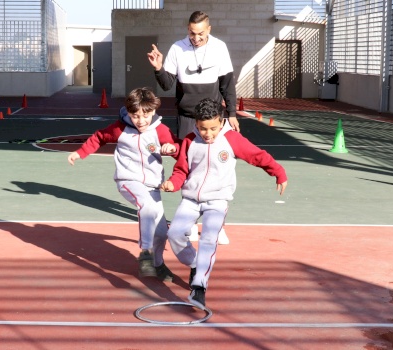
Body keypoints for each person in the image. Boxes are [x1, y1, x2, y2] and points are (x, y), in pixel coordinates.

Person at [160, 98, 288, 310]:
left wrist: (278, 172)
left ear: (221, 122)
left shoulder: (231, 139)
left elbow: (257, 156)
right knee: (174, 234)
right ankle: (194, 264)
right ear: (196, 124)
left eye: (212, 128)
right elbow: (181, 170)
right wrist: (172, 185)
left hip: (217, 200)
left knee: (209, 238)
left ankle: (199, 286)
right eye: (203, 128)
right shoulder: (190, 141)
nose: (208, 134)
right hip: (191, 199)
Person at [68, 87, 180, 281]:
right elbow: (100, 137)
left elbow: (177, 147)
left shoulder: (160, 130)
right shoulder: (120, 129)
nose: (141, 120)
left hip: (153, 186)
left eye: (145, 115)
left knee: (161, 233)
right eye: (135, 116)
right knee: (146, 207)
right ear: (128, 113)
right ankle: (146, 252)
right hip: (128, 180)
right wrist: (80, 152)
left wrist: (173, 148)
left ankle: (158, 264)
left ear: (153, 111)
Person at [148, 10, 238, 245]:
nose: (195, 38)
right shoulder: (178, 48)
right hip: (187, 117)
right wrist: (158, 68)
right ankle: (190, 223)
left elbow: (228, 84)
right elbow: (167, 85)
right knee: (188, 168)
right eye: (191, 32)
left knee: (217, 167)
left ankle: (217, 226)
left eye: (199, 33)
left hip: (214, 119)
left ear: (208, 29)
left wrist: (232, 114)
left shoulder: (219, 48)